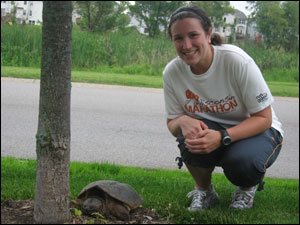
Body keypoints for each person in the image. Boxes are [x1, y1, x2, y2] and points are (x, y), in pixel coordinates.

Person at [163, 5, 283, 211]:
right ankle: (205, 191)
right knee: (189, 135)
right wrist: (182, 121)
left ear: (208, 33)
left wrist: (222, 137)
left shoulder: (236, 60)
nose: (187, 45)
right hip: (216, 131)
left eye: (193, 35)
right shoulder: (172, 72)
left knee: (242, 161)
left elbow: (264, 117)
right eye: (178, 38)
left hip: (259, 130)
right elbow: (172, 124)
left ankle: (246, 189)